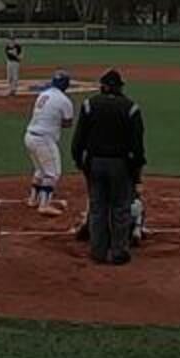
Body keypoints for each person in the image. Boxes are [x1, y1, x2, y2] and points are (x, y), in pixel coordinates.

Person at [71, 68, 147, 266]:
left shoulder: (89, 105)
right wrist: (136, 171)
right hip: (120, 165)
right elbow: (137, 145)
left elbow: (78, 139)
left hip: (95, 163)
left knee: (97, 207)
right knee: (120, 208)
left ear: (102, 86)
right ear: (119, 87)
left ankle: (98, 251)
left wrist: (80, 162)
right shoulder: (131, 108)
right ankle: (119, 251)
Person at [23, 70, 77, 215]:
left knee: (41, 169)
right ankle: (44, 205)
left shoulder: (44, 94)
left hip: (30, 136)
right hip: (43, 139)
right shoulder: (64, 100)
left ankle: (33, 199)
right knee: (53, 173)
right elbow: (67, 124)